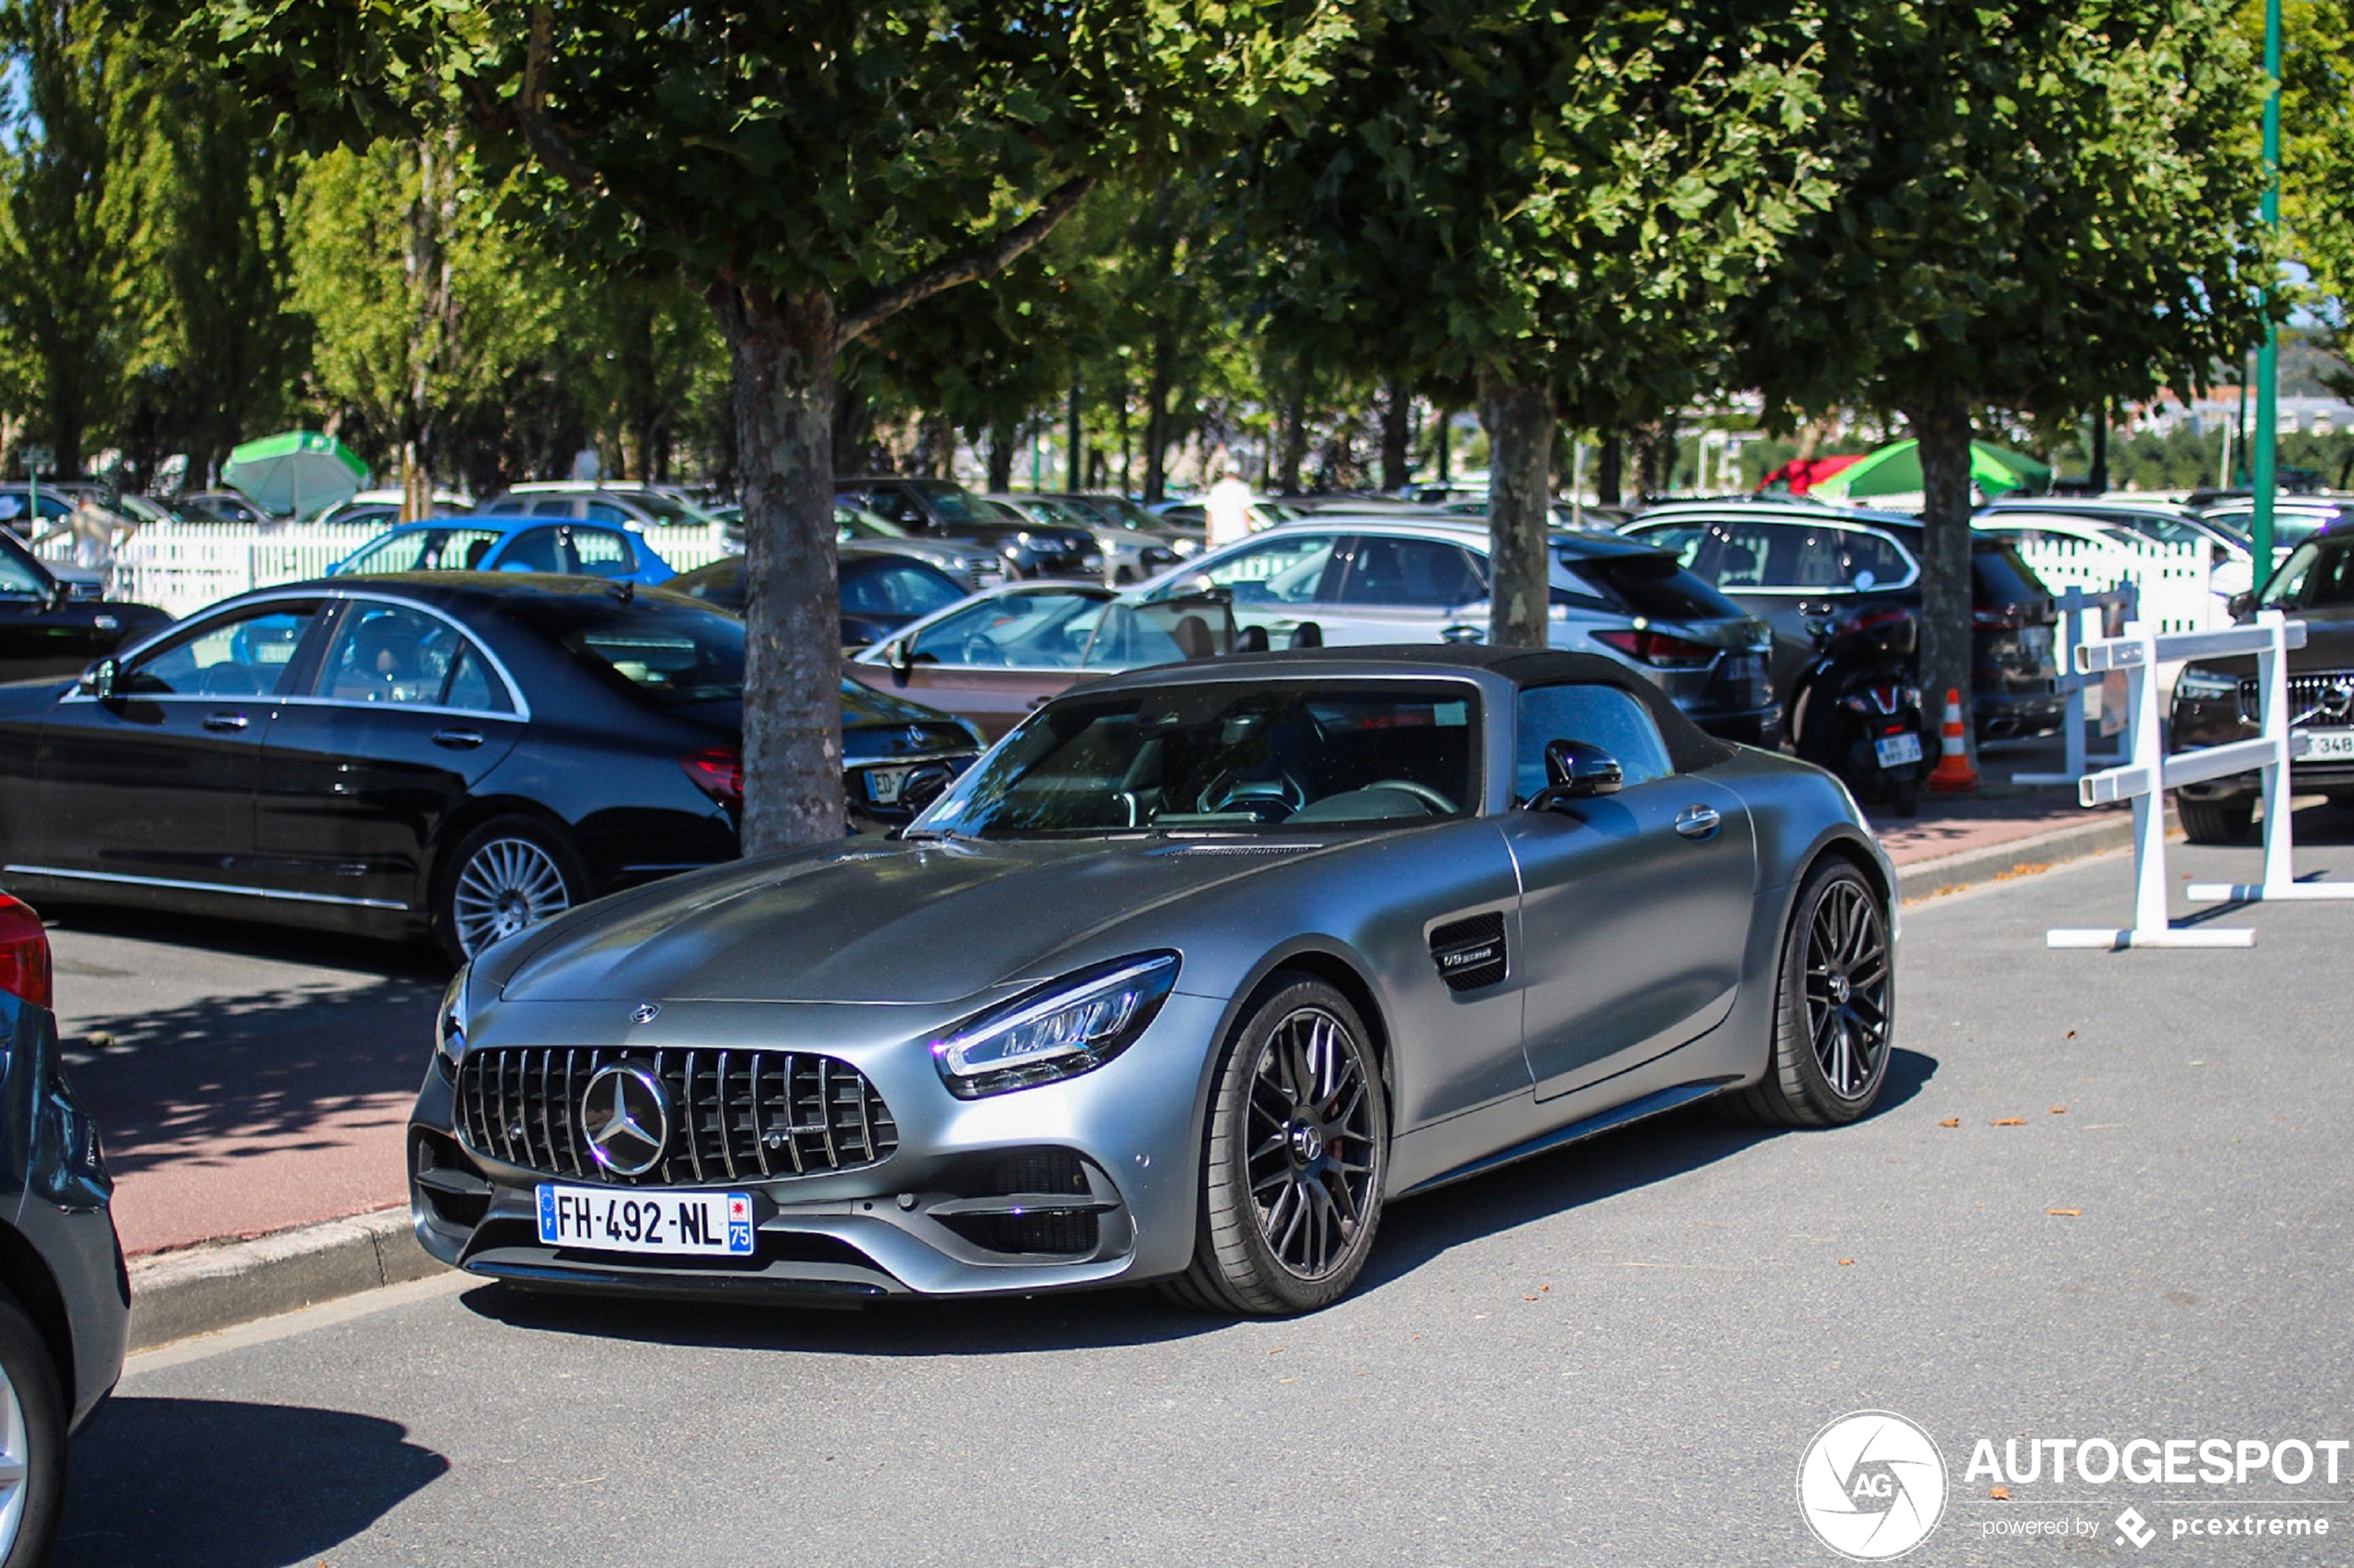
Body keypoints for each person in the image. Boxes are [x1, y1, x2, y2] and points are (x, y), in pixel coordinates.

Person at [1205, 467, 1255, 548]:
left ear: (1224, 473)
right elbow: (1246, 514)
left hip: (1219, 537)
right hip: (1240, 537)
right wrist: (1250, 533)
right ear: (1238, 474)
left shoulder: (1215, 489)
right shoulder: (1244, 489)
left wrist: (1209, 535)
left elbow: (1210, 514)